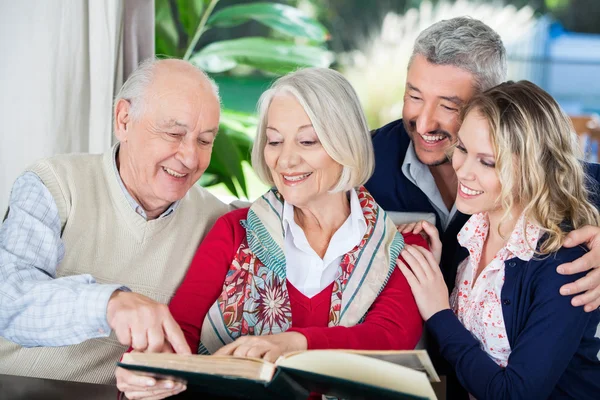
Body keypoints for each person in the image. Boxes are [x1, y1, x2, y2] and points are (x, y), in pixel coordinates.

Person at [116, 67, 425, 400]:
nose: (285, 159)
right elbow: (180, 332)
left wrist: (293, 343)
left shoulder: (402, 248)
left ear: (345, 143)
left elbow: (388, 340)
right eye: (274, 141)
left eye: (307, 141)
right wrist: (148, 367)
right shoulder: (235, 231)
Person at [0, 58, 229, 384]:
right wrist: (109, 303)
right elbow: (9, 300)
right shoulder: (54, 183)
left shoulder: (217, 221)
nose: (191, 157)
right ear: (124, 120)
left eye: (205, 140)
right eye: (174, 133)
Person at [365, 17, 600, 312]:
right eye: (414, 96)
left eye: (449, 106)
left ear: (491, 104)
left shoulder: (548, 174)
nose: (424, 123)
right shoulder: (364, 163)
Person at [398, 80, 600, 399]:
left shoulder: (561, 261)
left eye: (488, 162)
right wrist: (438, 271)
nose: (463, 170)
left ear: (532, 169)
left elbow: (514, 394)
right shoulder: (471, 226)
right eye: (462, 148)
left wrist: (439, 312)